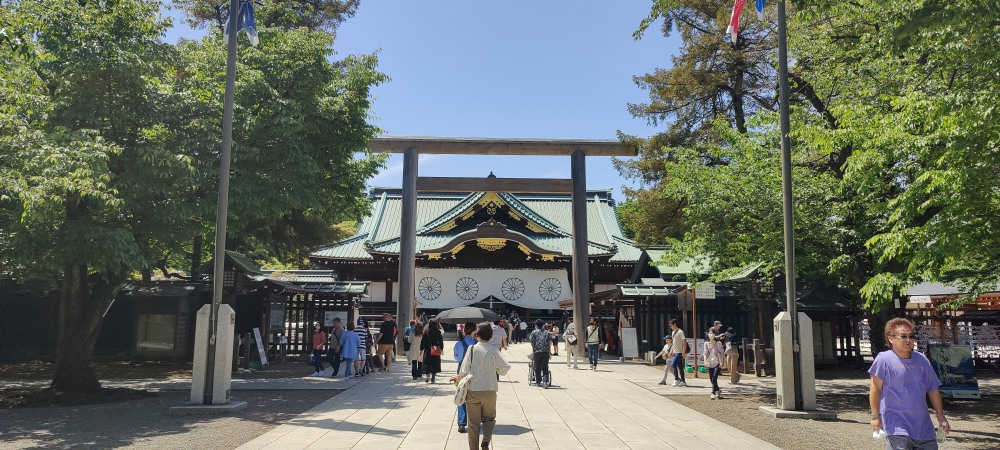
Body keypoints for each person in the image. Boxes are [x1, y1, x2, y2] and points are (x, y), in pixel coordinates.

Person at [869, 318, 950, 450]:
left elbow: (932, 389)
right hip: (896, 426)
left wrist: (940, 416)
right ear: (891, 339)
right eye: (903, 336)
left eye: (911, 336)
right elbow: (875, 388)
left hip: (923, 427)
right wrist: (875, 416)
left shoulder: (922, 359)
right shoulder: (884, 359)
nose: (909, 340)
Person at [451, 322, 511, 450]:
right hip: (490, 390)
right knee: (489, 419)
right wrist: (497, 371)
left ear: (477, 334)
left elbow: (464, 369)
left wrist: (458, 378)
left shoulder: (472, 349)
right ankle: (485, 442)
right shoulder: (494, 350)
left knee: (473, 424)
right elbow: (505, 367)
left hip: (473, 390)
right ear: (490, 335)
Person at [454, 321, 478, 433]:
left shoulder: (459, 344)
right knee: (475, 398)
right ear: (474, 332)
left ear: (464, 331)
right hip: (475, 373)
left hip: (461, 374)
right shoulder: (478, 345)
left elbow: (457, 358)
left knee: (461, 397)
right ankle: (475, 421)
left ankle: (462, 423)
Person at [529, 319, 551, 388]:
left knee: (537, 367)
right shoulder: (547, 332)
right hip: (545, 351)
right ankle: (545, 381)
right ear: (543, 325)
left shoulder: (533, 332)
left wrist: (534, 348)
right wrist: (548, 348)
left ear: (536, 325)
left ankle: (538, 382)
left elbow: (531, 342)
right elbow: (550, 342)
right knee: (545, 367)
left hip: (537, 351)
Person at [704, 330, 724, 399]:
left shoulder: (718, 343)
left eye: (712, 333)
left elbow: (721, 353)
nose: (711, 334)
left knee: (714, 377)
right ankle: (718, 389)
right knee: (711, 379)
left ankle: (713, 392)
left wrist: (721, 362)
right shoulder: (706, 343)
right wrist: (705, 361)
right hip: (710, 362)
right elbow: (705, 353)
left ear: (715, 335)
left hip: (717, 362)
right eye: (709, 333)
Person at [668, 319, 687, 386]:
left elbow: (684, 341)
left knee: (673, 363)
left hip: (680, 352)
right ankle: (683, 381)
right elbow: (674, 343)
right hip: (675, 351)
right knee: (680, 366)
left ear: (675, 324)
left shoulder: (680, 332)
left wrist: (683, 351)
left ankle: (676, 379)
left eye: (671, 325)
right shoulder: (673, 332)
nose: (670, 327)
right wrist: (671, 351)